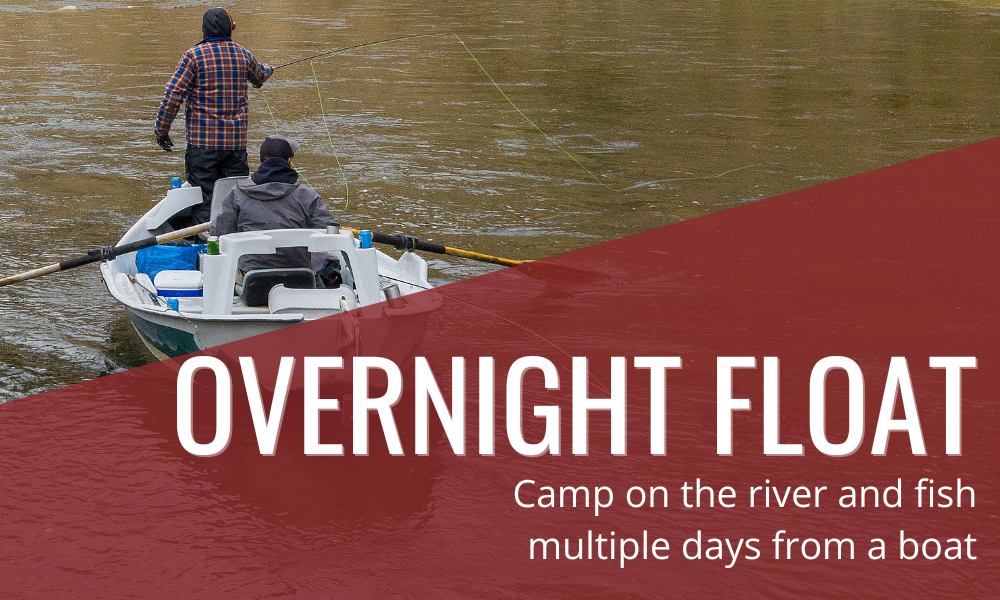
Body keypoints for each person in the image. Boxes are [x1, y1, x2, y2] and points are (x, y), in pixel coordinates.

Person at [154, 7, 273, 229]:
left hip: (203, 147)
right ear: (230, 29)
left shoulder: (193, 56)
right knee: (236, 199)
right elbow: (259, 77)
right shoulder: (243, 54)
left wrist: (162, 131)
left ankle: (206, 245)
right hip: (235, 147)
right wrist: (269, 69)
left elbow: (173, 94)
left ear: (204, 30)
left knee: (203, 200)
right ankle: (234, 243)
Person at [211, 135, 334, 276]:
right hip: (299, 276)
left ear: (260, 161)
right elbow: (330, 239)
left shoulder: (237, 193)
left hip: (251, 276)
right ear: (289, 161)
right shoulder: (309, 196)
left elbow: (218, 234)